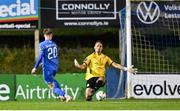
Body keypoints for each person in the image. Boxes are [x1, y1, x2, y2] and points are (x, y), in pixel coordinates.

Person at [31, 28, 72, 102]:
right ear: (51, 35)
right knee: (54, 81)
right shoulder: (54, 44)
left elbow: (41, 56)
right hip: (55, 68)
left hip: (47, 69)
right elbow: (52, 57)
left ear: (44, 35)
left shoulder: (42, 44)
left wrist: (35, 67)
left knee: (52, 87)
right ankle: (61, 96)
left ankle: (66, 95)